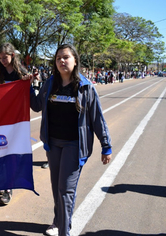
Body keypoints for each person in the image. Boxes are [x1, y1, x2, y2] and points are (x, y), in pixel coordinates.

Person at [30, 44, 112, 236]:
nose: (62, 61)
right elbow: (36, 106)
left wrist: (106, 145)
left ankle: (64, 231)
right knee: (56, 188)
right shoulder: (50, 83)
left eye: (66, 57)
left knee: (65, 190)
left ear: (75, 61)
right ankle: (59, 221)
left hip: (74, 145)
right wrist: (29, 85)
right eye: (58, 58)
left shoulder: (86, 88)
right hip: (52, 144)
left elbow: (97, 118)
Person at [0, 42, 28, 205]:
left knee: (11, 153)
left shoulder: (21, 73)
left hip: (16, 120)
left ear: (12, 55)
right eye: (0, 58)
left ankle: (8, 187)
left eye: (4, 57)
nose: (2, 60)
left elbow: (28, 96)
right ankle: (3, 182)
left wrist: (29, 83)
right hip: (1, 119)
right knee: (0, 151)